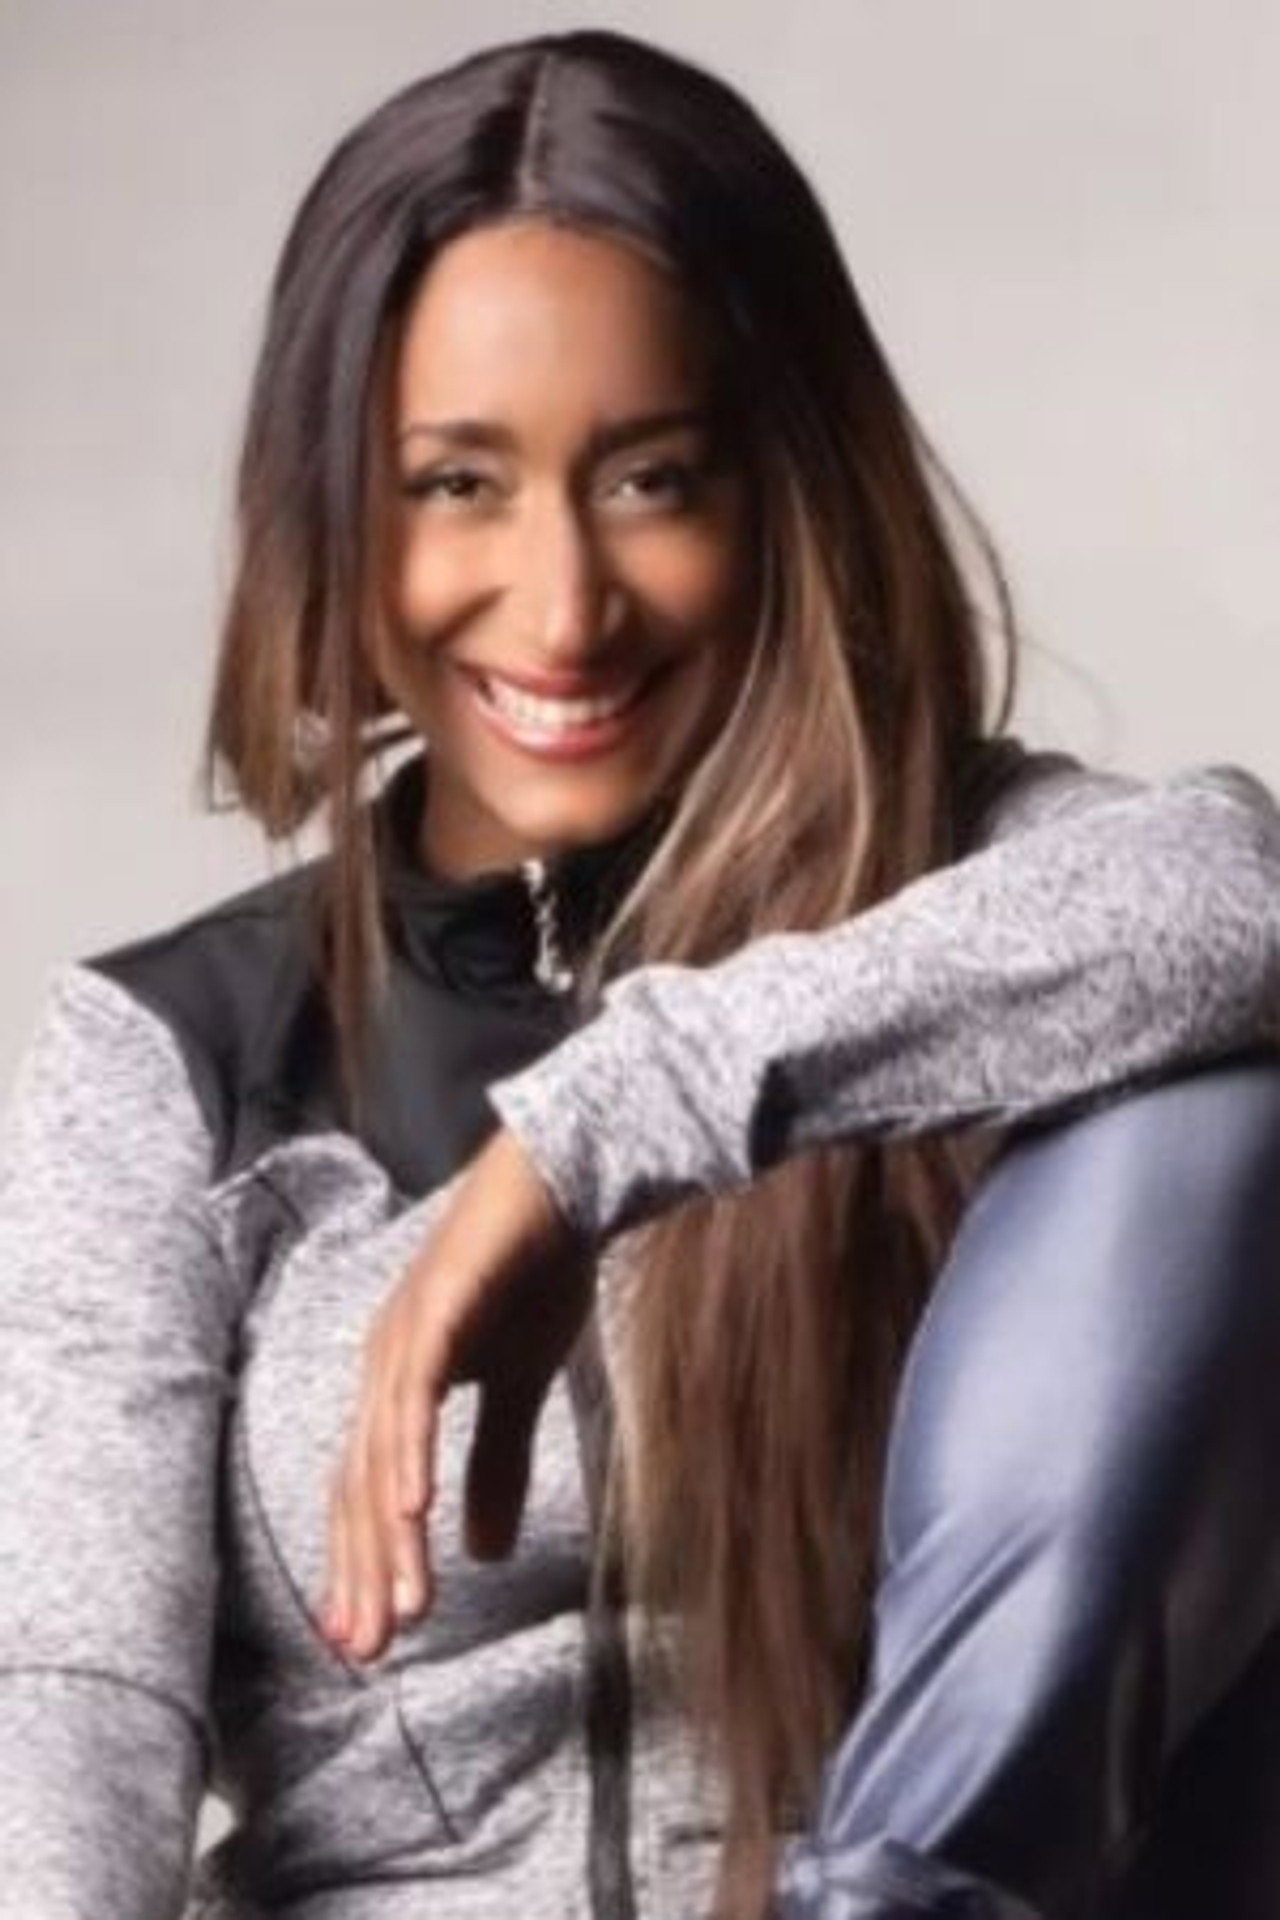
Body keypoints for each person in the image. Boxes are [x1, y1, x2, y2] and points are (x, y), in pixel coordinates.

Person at [1, 26, 1278, 1920]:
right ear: (335, 512)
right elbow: (67, 1712)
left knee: (1213, 1098)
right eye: (458, 484)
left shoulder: (969, 891)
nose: (565, 608)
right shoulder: (173, 1064)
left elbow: (1238, 899)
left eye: (653, 480)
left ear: (783, 492)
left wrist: (600, 1129)